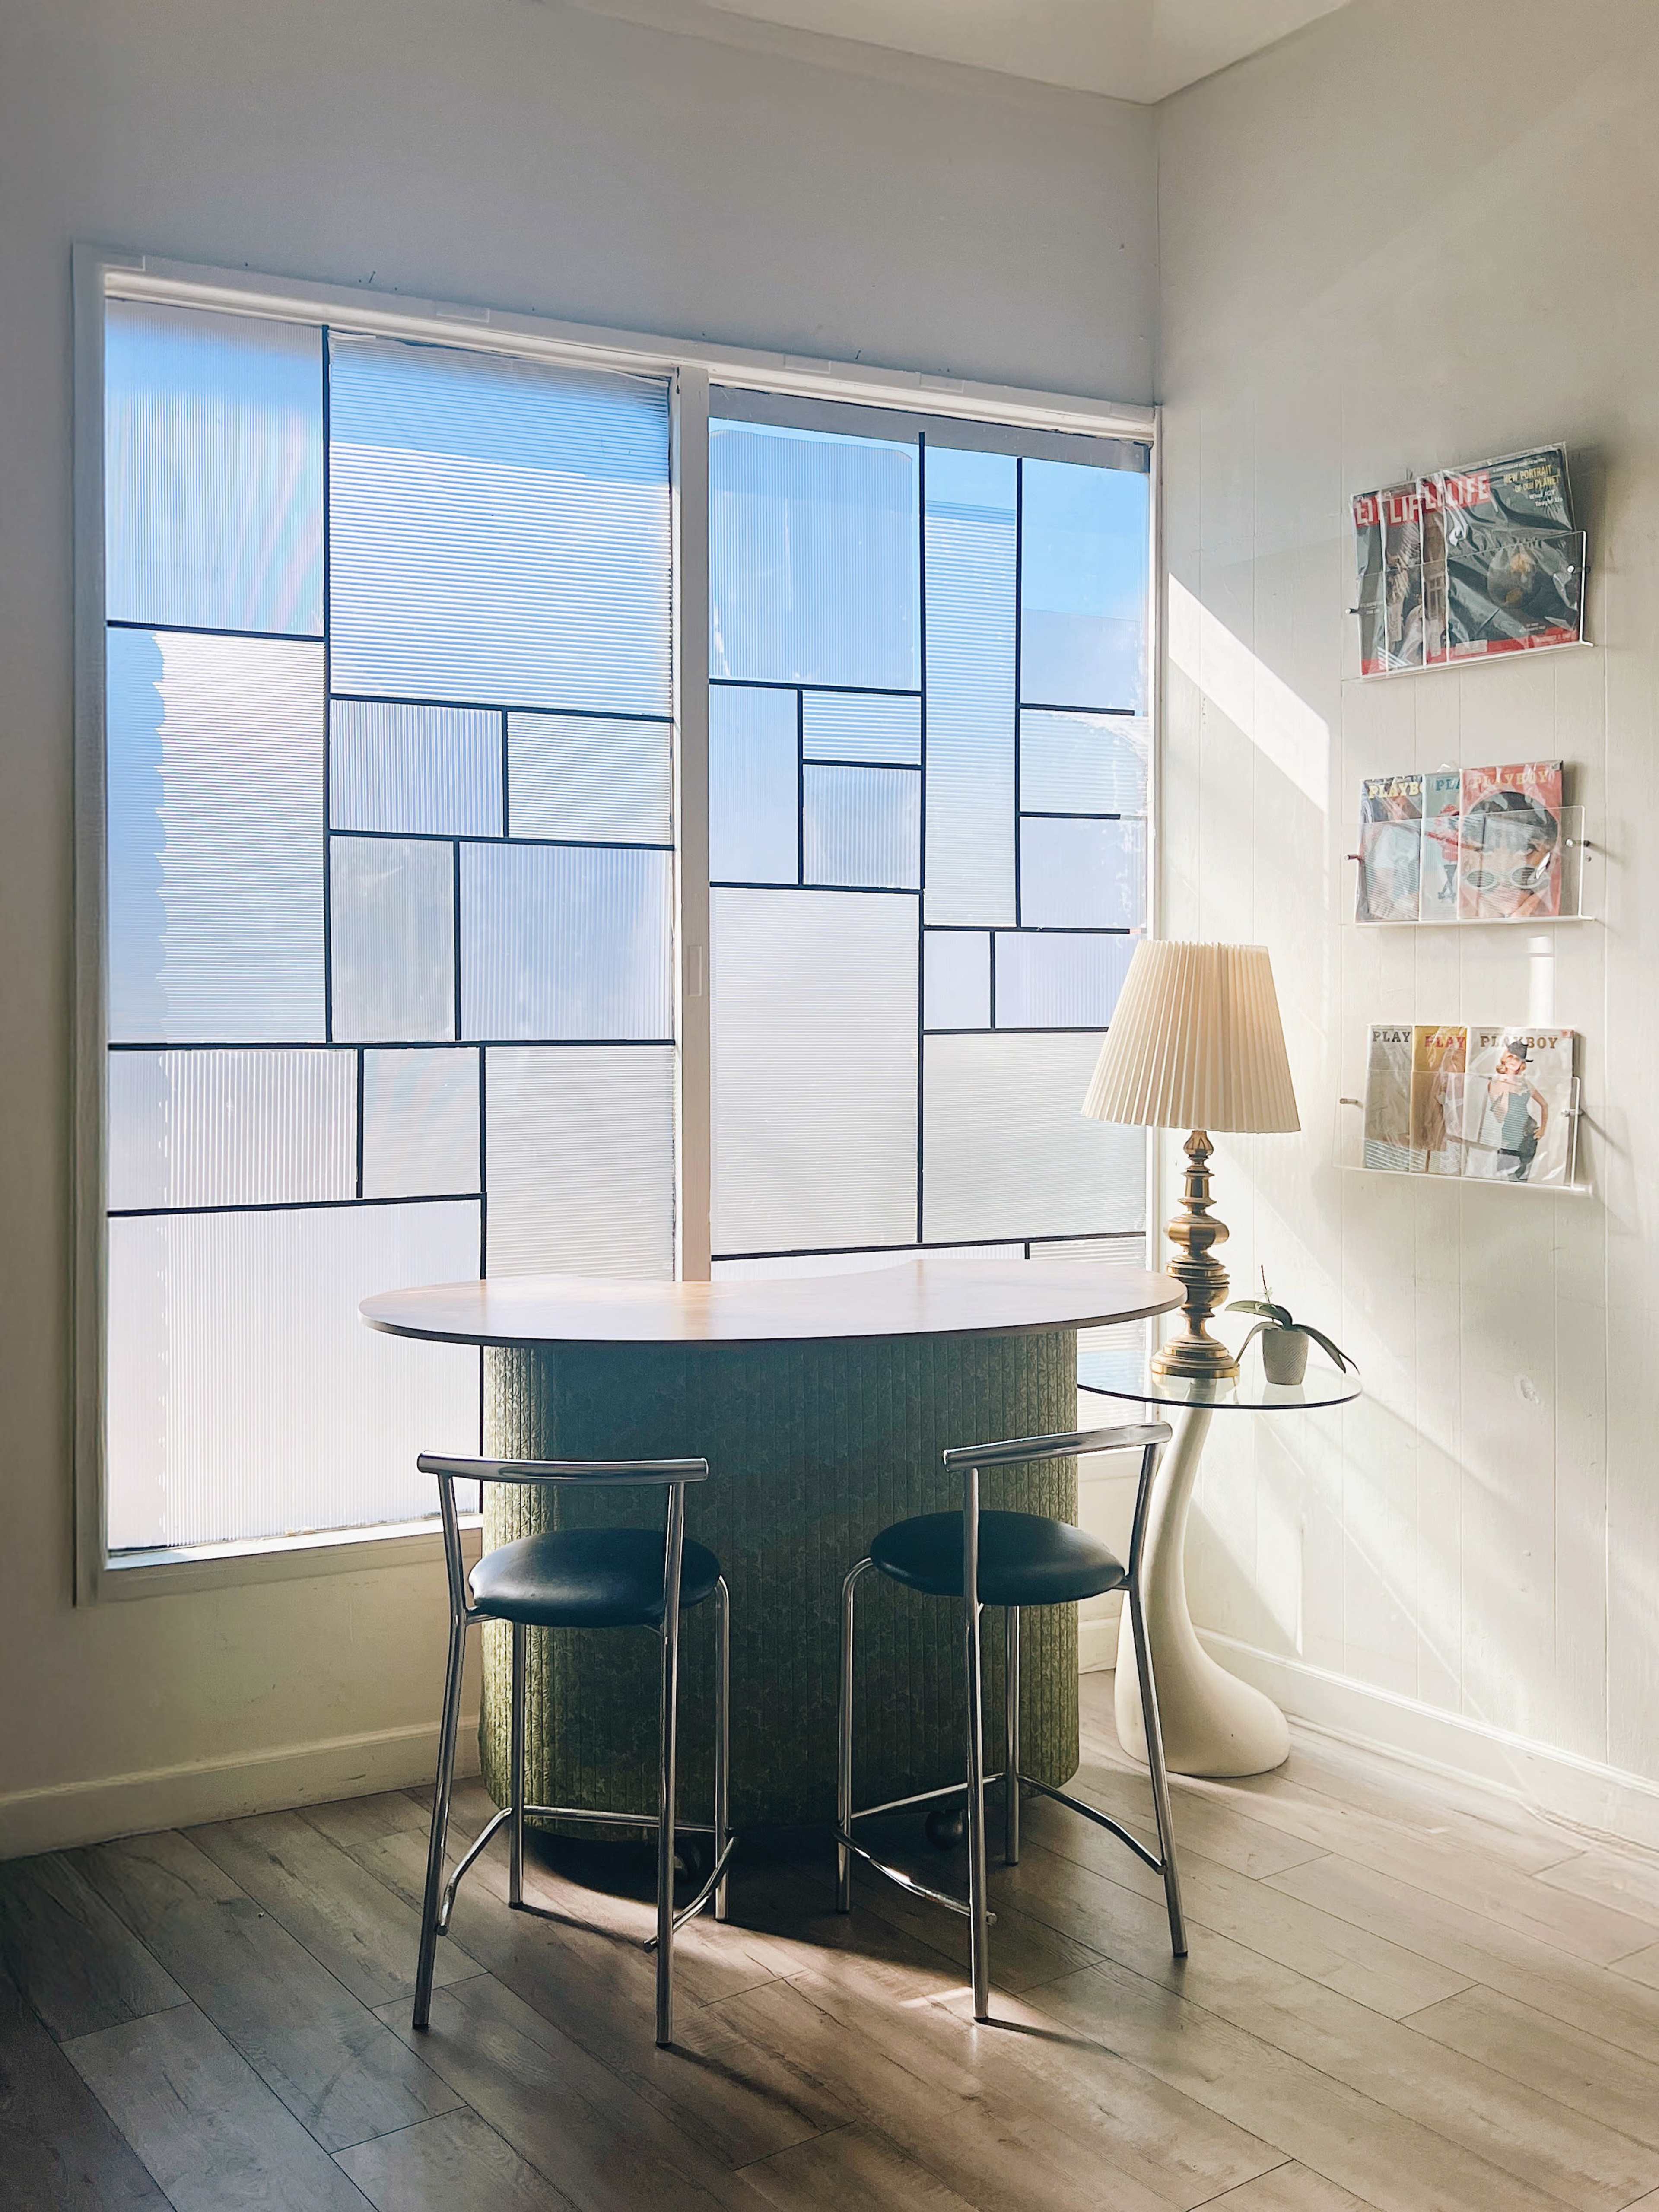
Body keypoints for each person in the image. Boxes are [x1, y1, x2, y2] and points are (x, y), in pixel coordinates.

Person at [1478, 1042, 1548, 1182]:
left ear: (1522, 1062)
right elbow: (1499, 1115)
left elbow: (1544, 1105)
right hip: (1508, 1135)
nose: (1512, 1061)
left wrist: (1543, 1129)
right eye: (1510, 1057)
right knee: (1506, 1173)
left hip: (1528, 1134)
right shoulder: (1496, 1083)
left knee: (1522, 1176)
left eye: (1516, 1059)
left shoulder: (1525, 1083)